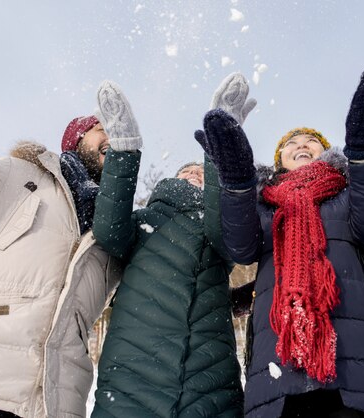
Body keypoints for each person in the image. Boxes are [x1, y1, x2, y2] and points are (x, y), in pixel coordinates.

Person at [196, 66, 364, 418]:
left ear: (327, 153)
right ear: (280, 161)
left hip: (353, 375)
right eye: (291, 143)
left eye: (311, 141)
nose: (301, 145)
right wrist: (237, 183)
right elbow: (241, 247)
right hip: (277, 376)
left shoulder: (346, 190)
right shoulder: (265, 203)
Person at [0, 20, 121, 418]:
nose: (112, 136)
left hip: (55, 399)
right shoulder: (17, 173)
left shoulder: (114, 226)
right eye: (100, 128)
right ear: (74, 140)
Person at [91, 76, 252, 417]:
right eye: (187, 172)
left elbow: (228, 234)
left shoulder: (219, 225)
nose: (194, 175)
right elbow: (108, 231)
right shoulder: (144, 220)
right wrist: (124, 149)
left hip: (211, 386)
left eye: (201, 172)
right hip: (132, 382)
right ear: (171, 182)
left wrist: (219, 150)